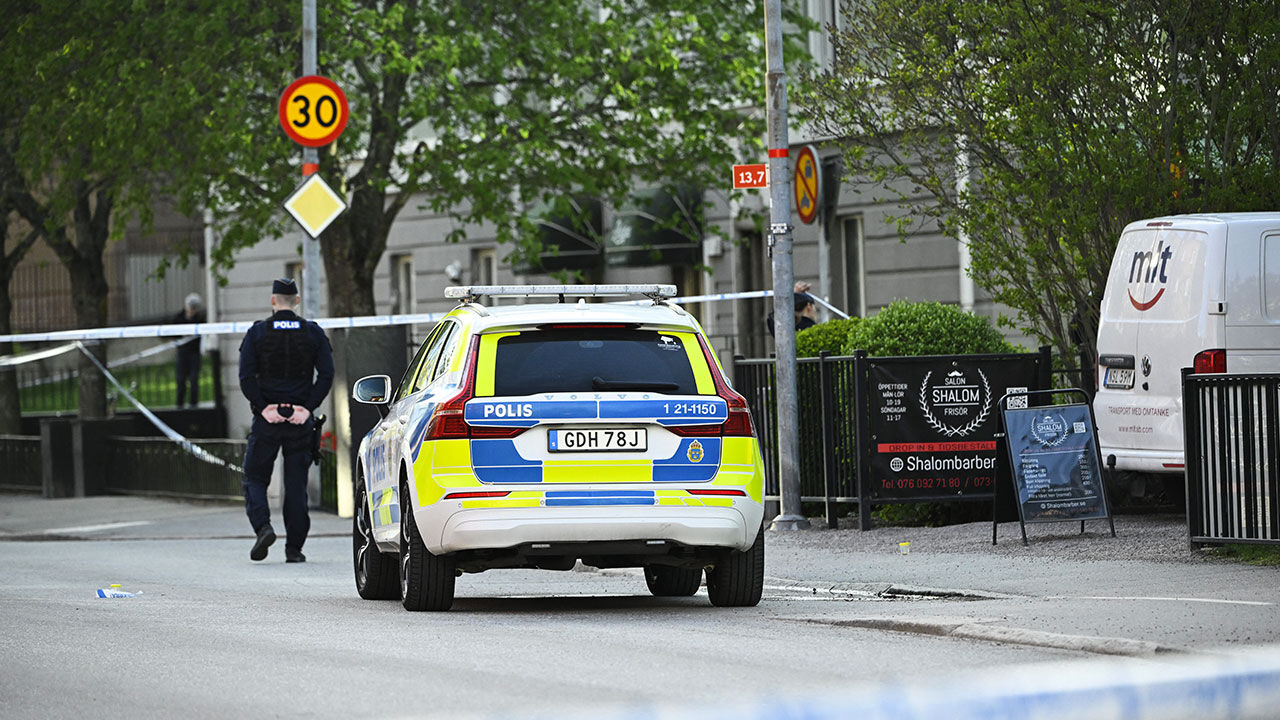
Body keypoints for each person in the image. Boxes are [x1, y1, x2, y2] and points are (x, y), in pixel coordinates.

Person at [238, 278, 334, 563]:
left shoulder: (257, 333)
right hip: (299, 421)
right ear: (297, 301)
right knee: (295, 486)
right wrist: (307, 407)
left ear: (272, 301)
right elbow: (326, 375)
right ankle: (294, 549)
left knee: (255, 478)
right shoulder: (312, 333)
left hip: (268, 420)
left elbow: (245, 377)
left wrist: (263, 406)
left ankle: (263, 527)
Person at [173, 293, 205, 407]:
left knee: (194, 379)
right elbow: (171, 334)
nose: (192, 310)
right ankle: (179, 404)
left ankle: (193, 403)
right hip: (182, 353)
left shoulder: (199, 319)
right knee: (181, 379)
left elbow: (202, 335)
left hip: (194, 353)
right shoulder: (179, 318)